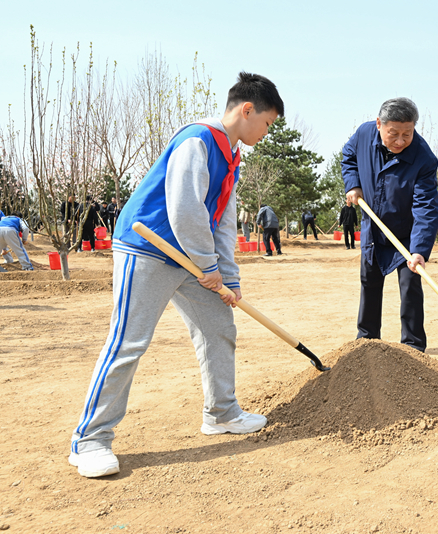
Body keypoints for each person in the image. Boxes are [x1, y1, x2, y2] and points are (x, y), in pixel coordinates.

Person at [69, 72, 284, 479]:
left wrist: (228, 278)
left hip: (191, 259)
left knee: (219, 326)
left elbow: (221, 223)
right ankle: (90, 440)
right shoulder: (197, 140)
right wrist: (209, 268)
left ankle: (221, 413)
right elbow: (184, 209)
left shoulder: (232, 157)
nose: (267, 132)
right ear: (247, 110)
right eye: (268, 123)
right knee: (129, 341)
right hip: (149, 247)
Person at [341, 97, 438, 352]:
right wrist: (353, 184)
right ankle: (366, 341)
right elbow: (348, 156)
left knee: (410, 285)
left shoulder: (424, 158)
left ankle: (413, 347)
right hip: (373, 227)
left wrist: (419, 250)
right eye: (393, 133)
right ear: (379, 124)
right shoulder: (364, 134)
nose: (400, 141)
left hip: (407, 233)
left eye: (407, 134)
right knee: (369, 281)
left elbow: (426, 206)